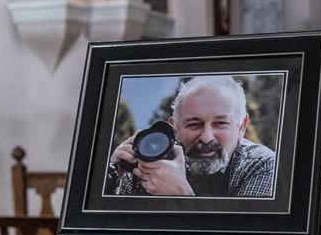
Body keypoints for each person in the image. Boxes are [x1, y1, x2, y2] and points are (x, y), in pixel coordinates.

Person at [107, 75, 276, 198]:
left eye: (220, 123)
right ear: (174, 128)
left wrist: (180, 194)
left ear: (241, 127)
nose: (206, 137)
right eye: (194, 124)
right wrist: (109, 180)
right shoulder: (149, 163)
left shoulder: (262, 166)